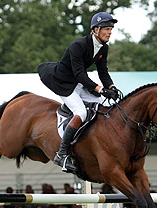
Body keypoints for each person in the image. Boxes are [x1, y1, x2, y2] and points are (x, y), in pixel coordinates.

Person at [38, 12, 119, 172]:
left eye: (111, 29)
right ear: (96, 30)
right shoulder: (78, 45)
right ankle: (62, 154)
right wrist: (100, 89)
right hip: (62, 83)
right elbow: (79, 74)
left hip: (77, 83)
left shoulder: (104, 47)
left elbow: (103, 71)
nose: (110, 32)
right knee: (80, 113)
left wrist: (111, 88)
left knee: (103, 104)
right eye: (107, 29)